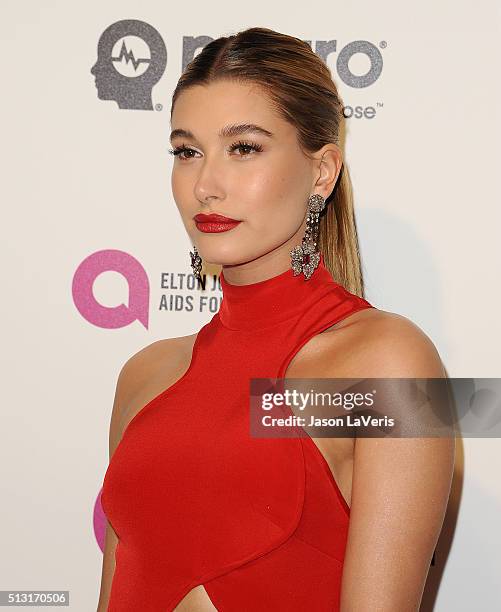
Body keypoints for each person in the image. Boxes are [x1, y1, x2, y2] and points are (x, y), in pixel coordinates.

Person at [97, 27, 455, 611]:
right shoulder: (146, 376)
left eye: (244, 148)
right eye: (187, 151)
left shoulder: (384, 363)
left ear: (322, 172)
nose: (206, 185)